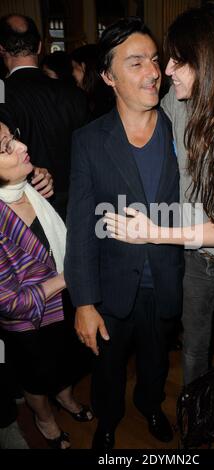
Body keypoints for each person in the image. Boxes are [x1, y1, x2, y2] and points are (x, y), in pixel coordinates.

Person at [104, 5, 214, 448]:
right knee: (195, 350)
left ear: (212, 63)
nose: (167, 72)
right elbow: (133, 128)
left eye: (178, 60)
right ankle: (195, 427)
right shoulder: (178, 107)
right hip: (193, 259)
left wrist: (154, 232)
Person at [64, 17, 184, 451]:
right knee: (107, 365)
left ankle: (150, 405)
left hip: (168, 277)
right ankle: (109, 420)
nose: (153, 72)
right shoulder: (89, 141)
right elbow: (80, 227)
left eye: (154, 60)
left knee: (155, 361)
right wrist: (83, 302)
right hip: (111, 284)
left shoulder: (181, 128)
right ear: (108, 76)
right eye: (136, 63)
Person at [0, 122, 93, 450]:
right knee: (37, 378)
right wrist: (67, 278)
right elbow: (8, 302)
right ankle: (44, 419)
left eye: (14, 137)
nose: (22, 147)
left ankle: (66, 397)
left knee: (67, 359)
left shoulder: (24, 184)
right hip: (30, 323)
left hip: (65, 303)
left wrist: (40, 178)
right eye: (5, 147)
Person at [0, 14, 90, 219]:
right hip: (77, 204)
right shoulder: (74, 93)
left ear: (1, 49)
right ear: (40, 47)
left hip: (29, 208)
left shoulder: (1, 90)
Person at [71, 44, 114, 118]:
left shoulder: (96, 103)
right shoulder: (112, 93)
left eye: (73, 67)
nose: (72, 73)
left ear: (83, 66)